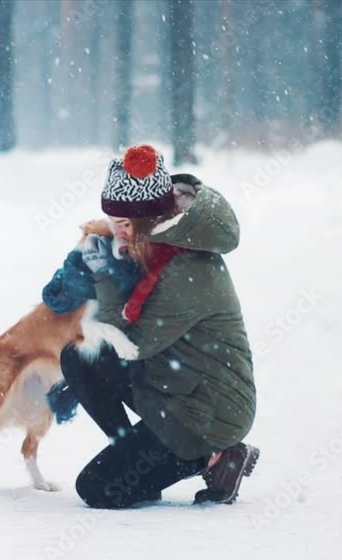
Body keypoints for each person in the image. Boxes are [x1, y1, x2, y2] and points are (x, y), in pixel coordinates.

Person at [62, 144, 258, 509]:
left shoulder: (183, 267)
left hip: (208, 413)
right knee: (80, 358)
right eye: (112, 221)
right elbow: (117, 332)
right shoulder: (158, 245)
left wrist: (102, 273)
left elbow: (133, 344)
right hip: (178, 382)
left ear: (147, 218)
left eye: (122, 224)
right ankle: (137, 463)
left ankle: (216, 455)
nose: (115, 232)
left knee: (96, 488)